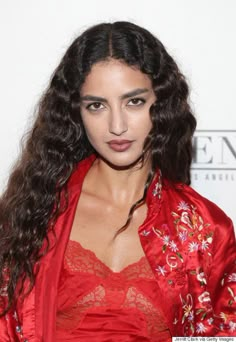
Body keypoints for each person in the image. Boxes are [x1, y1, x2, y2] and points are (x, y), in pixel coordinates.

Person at [0, 21, 235, 341]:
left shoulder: (205, 231)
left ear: (161, 102)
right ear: (76, 112)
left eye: (134, 101)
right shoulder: (35, 212)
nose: (117, 125)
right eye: (96, 105)